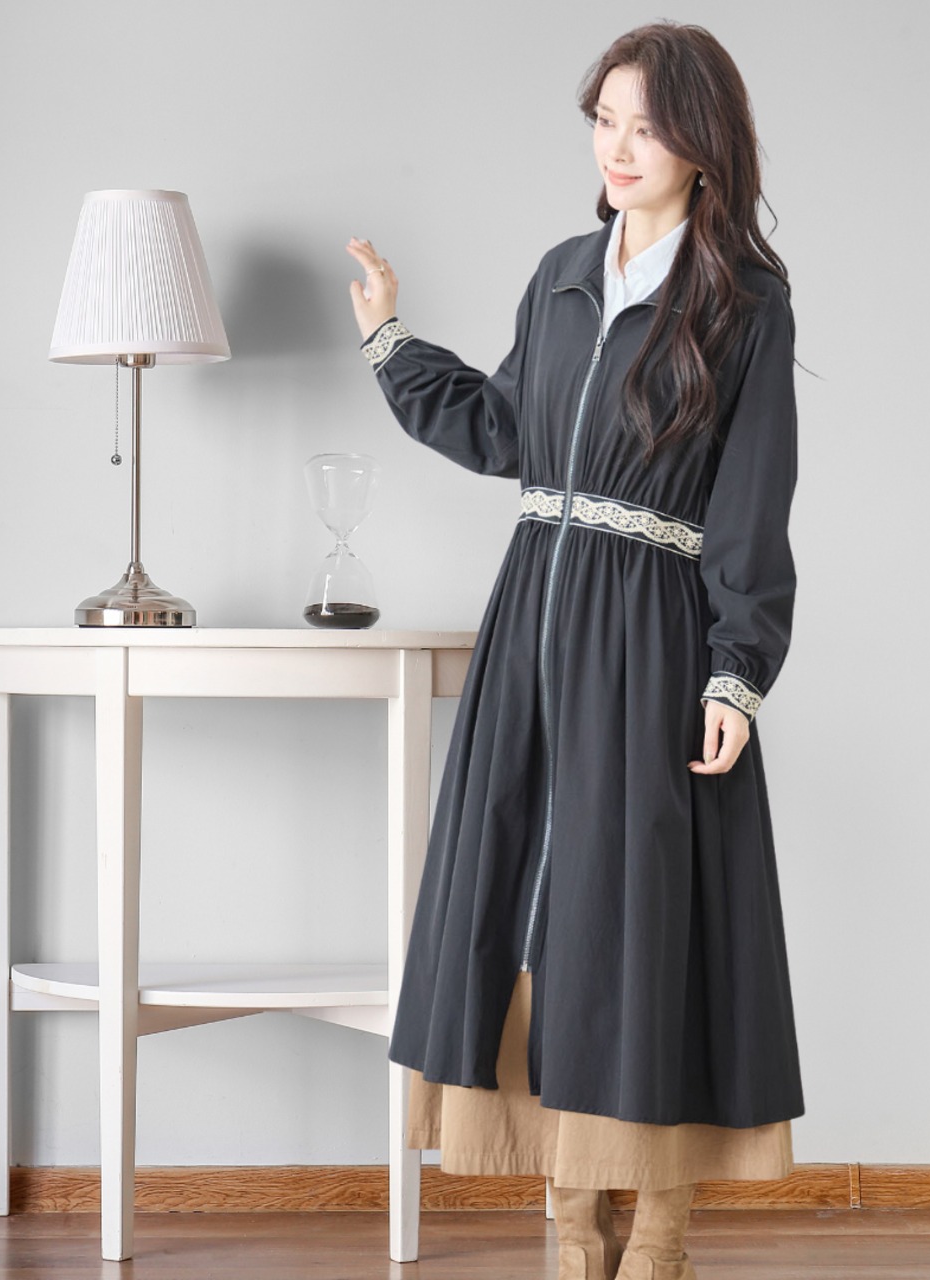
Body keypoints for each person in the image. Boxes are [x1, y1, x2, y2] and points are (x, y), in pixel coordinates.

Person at [345, 21, 803, 1280]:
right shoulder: (559, 275)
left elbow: (753, 499)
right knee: (528, 901)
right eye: (604, 120)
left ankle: (657, 1226)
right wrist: (389, 338)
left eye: (645, 126)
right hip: (531, 633)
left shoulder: (742, 303)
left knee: (638, 919)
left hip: (650, 638)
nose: (618, 147)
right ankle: (568, 1212)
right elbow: (506, 430)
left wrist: (736, 665)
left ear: (700, 144)